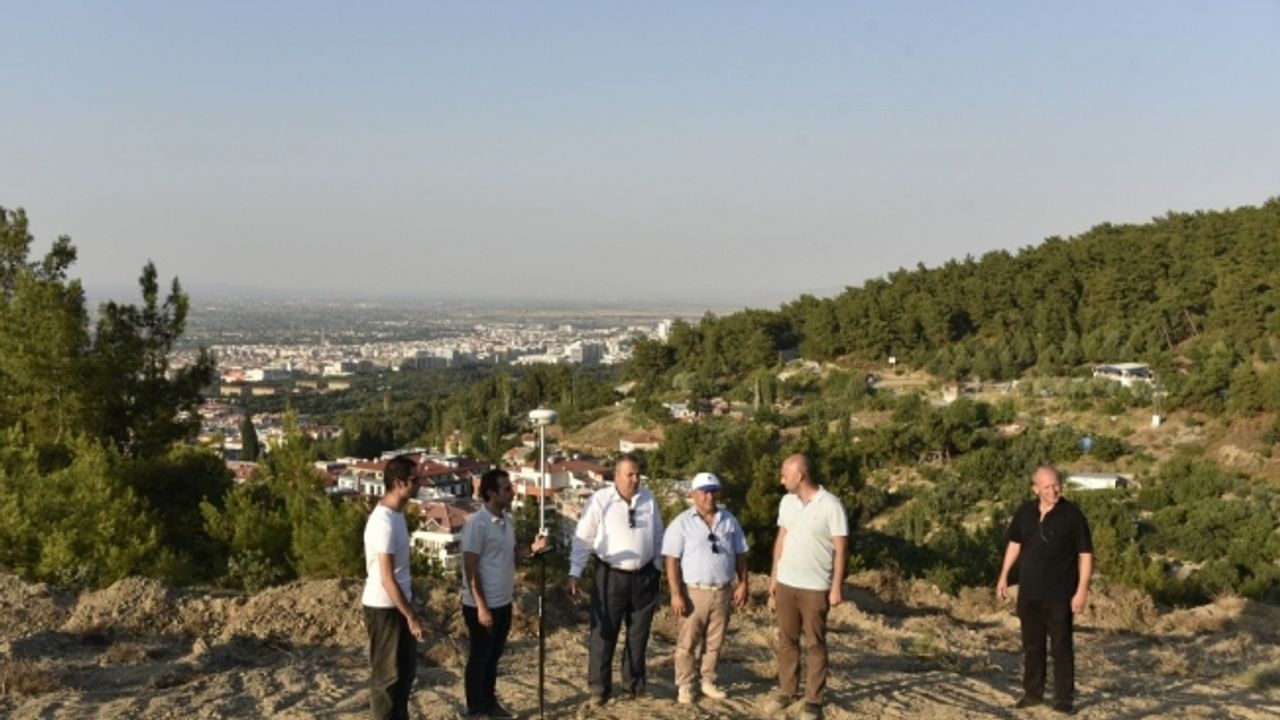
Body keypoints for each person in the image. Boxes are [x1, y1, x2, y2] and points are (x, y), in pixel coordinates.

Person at [567, 453, 664, 706]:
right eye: (630, 474)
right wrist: (575, 572)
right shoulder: (600, 500)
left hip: (644, 576)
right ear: (616, 476)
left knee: (639, 633)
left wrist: (657, 568)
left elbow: (657, 535)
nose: (635, 479)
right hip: (611, 575)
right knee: (604, 633)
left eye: (637, 474)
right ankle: (599, 688)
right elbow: (583, 538)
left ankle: (634, 684)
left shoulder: (648, 499)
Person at [997, 465, 1094, 715]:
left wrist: (1082, 590)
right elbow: (1015, 544)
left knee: (1061, 648)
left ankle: (1063, 699)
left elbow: (1085, 555)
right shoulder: (1025, 512)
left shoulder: (1073, 515)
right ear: (1035, 489)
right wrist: (1004, 575)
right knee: (1032, 646)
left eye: (1057, 484)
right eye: (1048, 486)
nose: (1054, 490)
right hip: (1029, 593)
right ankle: (1033, 693)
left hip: (1060, 595)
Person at [460, 468, 549, 719]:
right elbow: (471, 567)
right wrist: (481, 606)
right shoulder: (477, 524)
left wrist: (532, 548)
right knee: (479, 657)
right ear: (491, 493)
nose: (512, 492)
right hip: (482, 605)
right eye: (507, 488)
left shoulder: (506, 521)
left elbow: (511, 555)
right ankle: (476, 708)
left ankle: (489, 702)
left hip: (503, 602)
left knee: (493, 656)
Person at [767, 454, 848, 720]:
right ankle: (787, 690)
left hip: (815, 586)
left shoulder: (831, 505)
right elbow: (782, 538)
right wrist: (774, 576)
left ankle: (814, 699)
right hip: (787, 583)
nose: (781, 480)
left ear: (800, 476)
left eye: (785, 474)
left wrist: (836, 587)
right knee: (787, 641)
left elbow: (840, 549)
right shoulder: (787, 502)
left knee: (815, 644)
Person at [662, 471, 749, 705]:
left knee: (715, 642)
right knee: (687, 643)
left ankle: (708, 680)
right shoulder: (681, 523)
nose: (709, 497)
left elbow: (740, 554)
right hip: (694, 592)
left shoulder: (729, 520)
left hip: (722, 590)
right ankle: (685, 685)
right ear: (693, 494)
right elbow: (671, 559)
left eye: (713, 492)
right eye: (704, 492)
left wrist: (743, 584)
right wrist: (676, 593)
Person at [362, 455, 425, 720]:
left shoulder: (396, 515)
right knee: (387, 678)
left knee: (405, 674)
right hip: (384, 608)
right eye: (415, 480)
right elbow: (387, 578)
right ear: (398, 483)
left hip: (395, 605)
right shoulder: (384, 522)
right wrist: (410, 616)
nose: (419, 484)